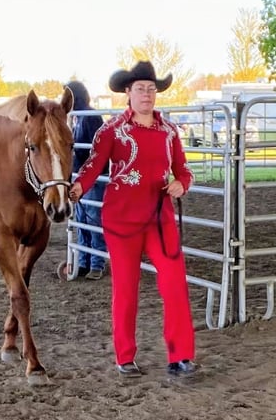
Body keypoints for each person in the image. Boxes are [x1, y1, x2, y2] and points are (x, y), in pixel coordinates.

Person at [69, 61, 197, 378]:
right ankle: (125, 356)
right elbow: (93, 166)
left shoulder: (169, 132)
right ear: (128, 92)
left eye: (151, 89)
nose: (147, 94)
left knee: (175, 284)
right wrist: (76, 189)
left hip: (159, 219)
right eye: (141, 89)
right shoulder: (111, 130)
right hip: (122, 221)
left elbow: (184, 169)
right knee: (126, 289)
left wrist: (182, 184)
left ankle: (181, 355)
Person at [65, 80, 108, 280]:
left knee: (93, 218)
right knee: (82, 219)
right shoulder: (76, 117)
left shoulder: (90, 117)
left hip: (93, 177)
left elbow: (96, 150)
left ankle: (97, 263)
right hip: (80, 176)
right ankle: (83, 261)